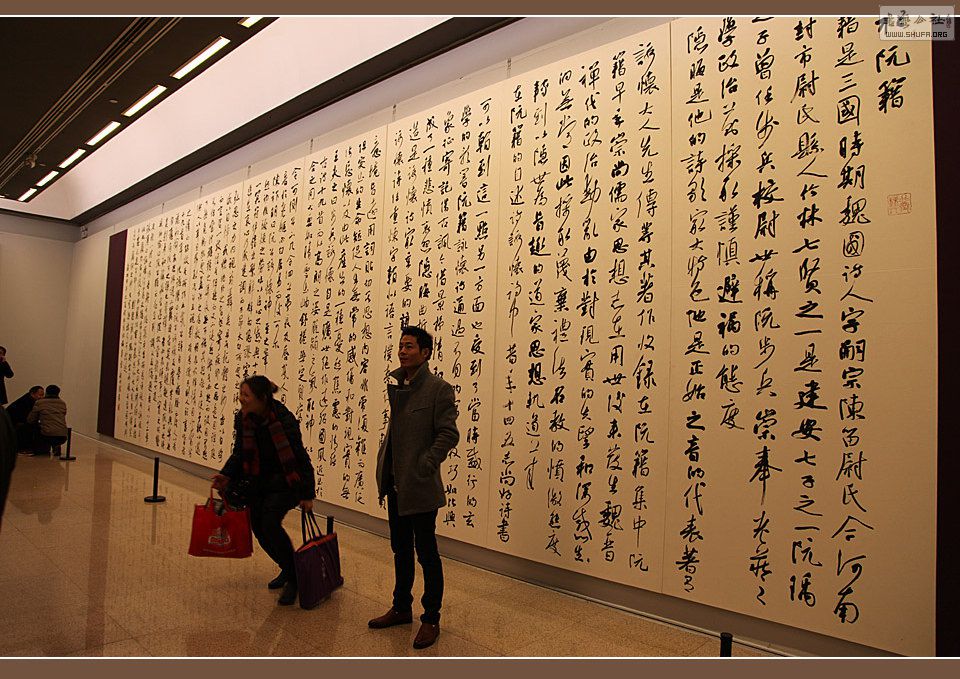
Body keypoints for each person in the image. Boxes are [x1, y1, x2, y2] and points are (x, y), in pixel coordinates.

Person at [368, 326, 460, 650]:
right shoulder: (398, 385)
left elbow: (448, 434)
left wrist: (426, 463)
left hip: (419, 486)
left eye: (409, 347)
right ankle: (401, 607)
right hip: (396, 484)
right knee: (400, 549)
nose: (402, 352)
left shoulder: (438, 389)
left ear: (425, 353)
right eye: (400, 346)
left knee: (427, 553)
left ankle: (431, 617)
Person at [211, 376, 315, 606]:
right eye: (241, 393)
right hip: (257, 482)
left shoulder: (283, 419)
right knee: (258, 527)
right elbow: (240, 452)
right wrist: (226, 474)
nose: (241, 399)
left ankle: (295, 578)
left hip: (285, 483)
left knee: (269, 524)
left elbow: (299, 456)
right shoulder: (243, 418)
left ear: (262, 398)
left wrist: (308, 494)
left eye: (246, 395)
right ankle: (288, 567)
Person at [26, 385, 68, 456]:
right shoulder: (62, 403)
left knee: (37, 427)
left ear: (46, 393)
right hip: (63, 436)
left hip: (47, 435)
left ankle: (40, 449)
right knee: (52, 427)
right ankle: (56, 445)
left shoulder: (40, 402)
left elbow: (31, 419)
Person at [6, 386, 44, 452]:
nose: (42, 397)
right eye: (40, 395)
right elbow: (27, 418)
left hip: (12, 423)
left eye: (43, 395)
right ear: (32, 394)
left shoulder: (26, 400)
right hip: (15, 423)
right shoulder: (28, 402)